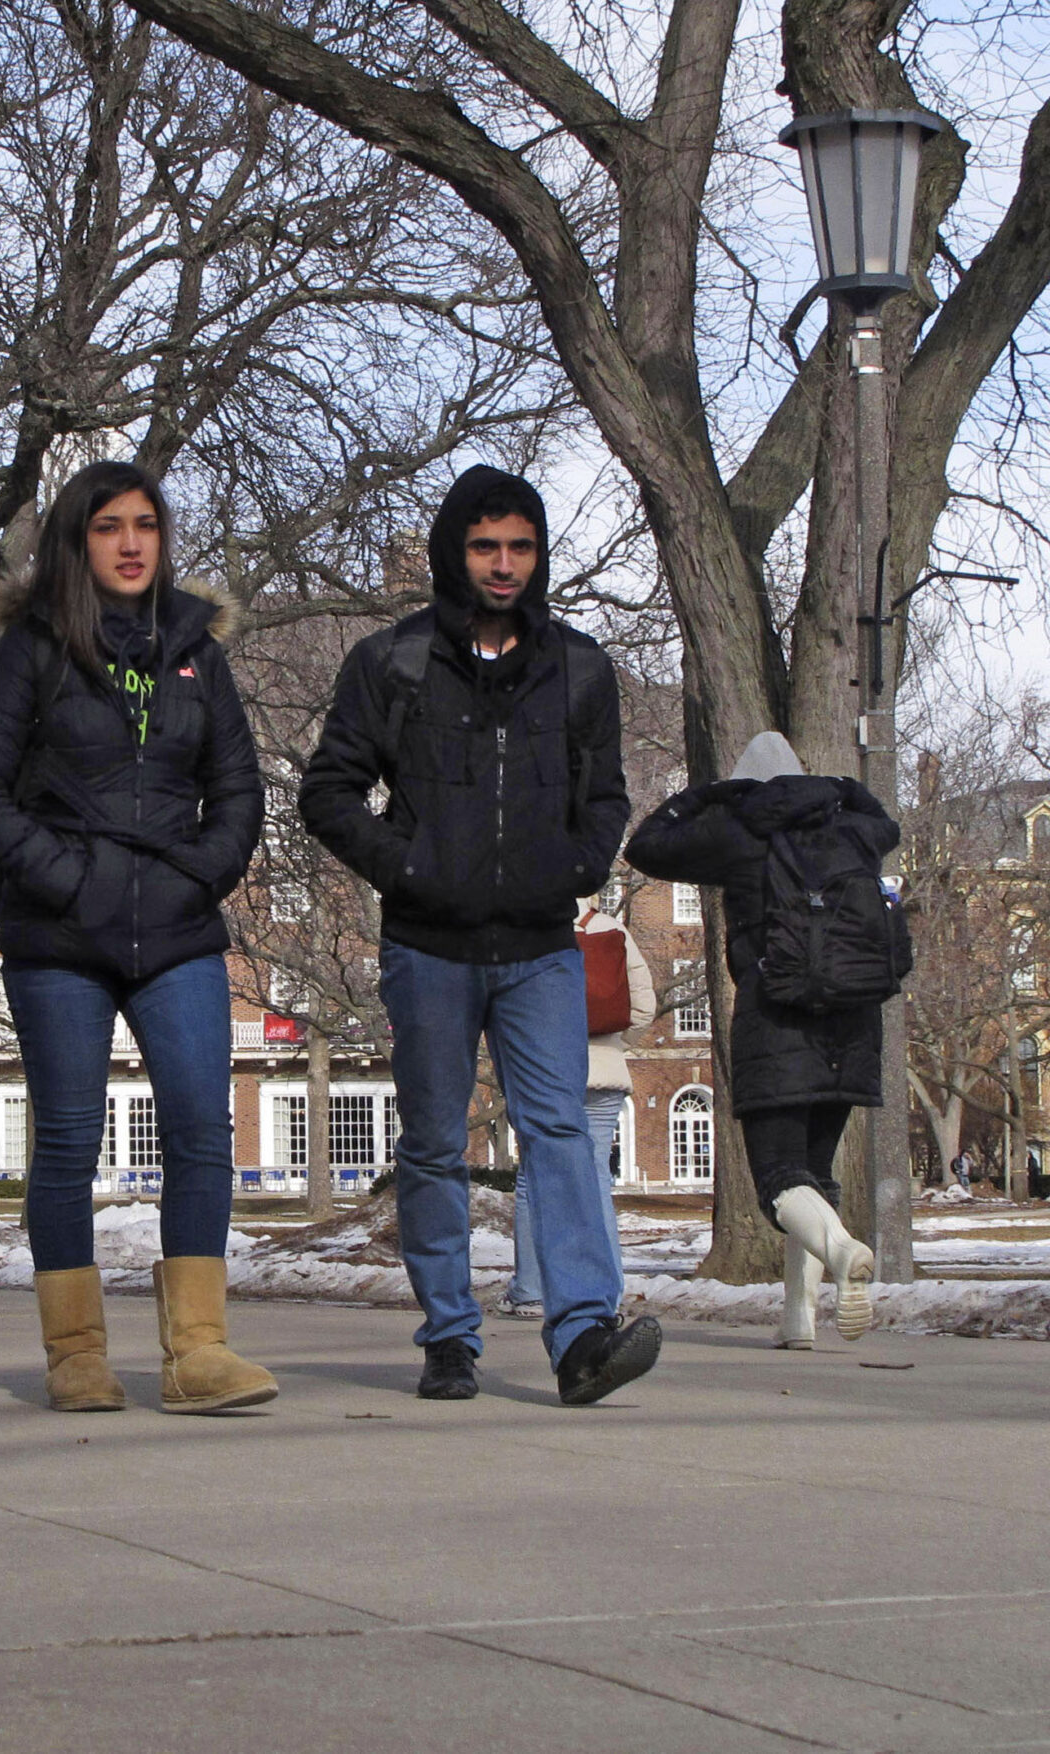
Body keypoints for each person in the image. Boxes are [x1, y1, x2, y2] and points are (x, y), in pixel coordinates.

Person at [300, 463, 657, 1406]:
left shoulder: (580, 667)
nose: (505, 565)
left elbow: (606, 797)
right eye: (486, 547)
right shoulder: (393, 663)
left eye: (521, 547)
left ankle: (583, 1337)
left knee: (560, 1131)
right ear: (453, 554)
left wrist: (574, 866)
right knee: (430, 1143)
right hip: (428, 947)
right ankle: (450, 1336)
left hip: (540, 947)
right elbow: (328, 793)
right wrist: (411, 867)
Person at [0, 459, 272, 1415]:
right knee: (68, 1140)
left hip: (176, 930)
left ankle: (199, 1352)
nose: (131, 544)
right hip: (59, 935)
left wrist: (195, 875)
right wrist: (67, 878)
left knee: (202, 1130)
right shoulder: (34, 648)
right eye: (108, 527)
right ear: (75, 542)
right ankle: (77, 1355)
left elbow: (240, 792)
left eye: (146, 525)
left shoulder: (198, 653)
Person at [625, 732, 904, 1349]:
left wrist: (710, 795)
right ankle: (798, 1319)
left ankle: (840, 1250)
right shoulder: (853, 830)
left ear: (746, 784)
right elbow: (887, 822)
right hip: (853, 1020)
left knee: (779, 1178)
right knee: (815, 1172)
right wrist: (843, 788)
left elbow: (646, 845)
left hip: (776, 1016)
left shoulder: (740, 830)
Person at [501, 897, 654, 1318]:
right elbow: (643, 1009)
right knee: (596, 1177)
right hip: (604, 1072)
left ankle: (531, 1290)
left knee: (533, 1176)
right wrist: (614, 1047)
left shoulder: (524, 924)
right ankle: (608, 1288)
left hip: (544, 1071)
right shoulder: (612, 929)